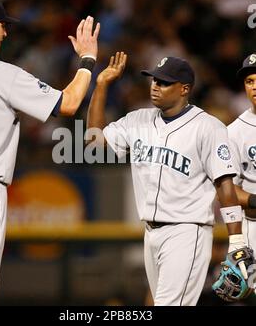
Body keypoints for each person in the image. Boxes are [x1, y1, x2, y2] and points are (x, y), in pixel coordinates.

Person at [0, 0, 99, 306]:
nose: (6, 34)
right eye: (3, 27)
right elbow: (68, 103)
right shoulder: (3, 74)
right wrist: (87, 60)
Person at [87, 52, 250, 306]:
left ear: (184, 89)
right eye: (154, 80)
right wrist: (101, 85)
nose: (155, 86)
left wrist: (237, 243)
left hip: (187, 231)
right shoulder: (137, 120)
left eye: (164, 82)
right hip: (151, 234)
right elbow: (95, 141)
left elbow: (225, 188)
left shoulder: (208, 127)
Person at [228, 54, 256, 279]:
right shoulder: (234, 131)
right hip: (253, 226)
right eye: (249, 81)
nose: (255, 87)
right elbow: (228, 190)